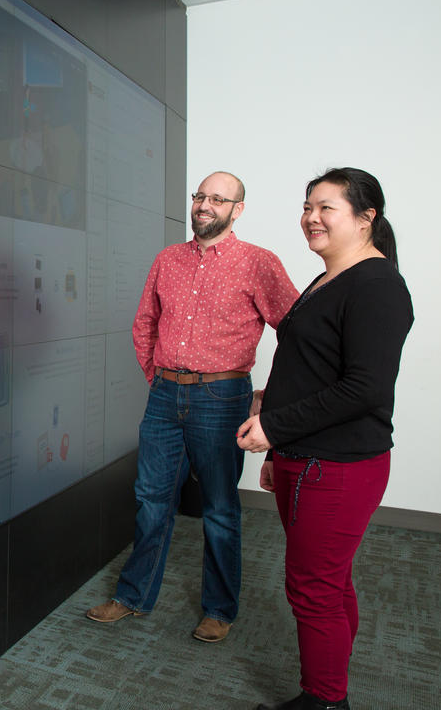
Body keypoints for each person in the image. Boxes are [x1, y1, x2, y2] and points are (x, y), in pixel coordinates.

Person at [86, 171, 298, 643]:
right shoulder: (168, 260)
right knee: (150, 500)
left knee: (220, 509)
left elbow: (298, 332)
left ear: (237, 209)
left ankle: (219, 609)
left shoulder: (259, 263)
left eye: (218, 198)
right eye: (200, 196)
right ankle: (133, 597)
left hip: (222, 399)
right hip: (164, 396)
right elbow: (145, 324)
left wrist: (273, 397)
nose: (205, 204)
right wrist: (157, 377)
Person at [237, 168, 413, 710]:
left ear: (367, 218)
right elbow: (317, 365)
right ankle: (330, 674)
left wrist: (274, 429)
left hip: (336, 467)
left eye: (327, 207)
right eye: (307, 206)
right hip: (302, 457)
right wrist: (273, 406)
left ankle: (325, 699)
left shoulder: (378, 285)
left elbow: (364, 388)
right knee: (329, 585)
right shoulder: (328, 277)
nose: (311, 217)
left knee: (312, 589)